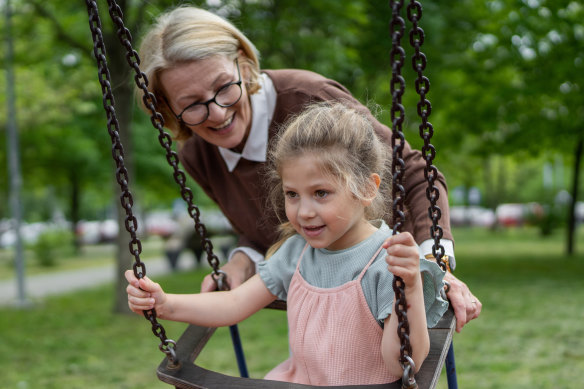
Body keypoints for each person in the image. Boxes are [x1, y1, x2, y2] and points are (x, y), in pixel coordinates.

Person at [136, 5, 481, 331]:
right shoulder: (199, 154)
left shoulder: (308, 97)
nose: (216, 113)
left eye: (224, 87)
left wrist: (435, 265)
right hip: (325, 304)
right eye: (192, 105)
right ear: (167, 108)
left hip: (386, 280)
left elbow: (418, 175)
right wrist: (241, 261)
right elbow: (266, 225)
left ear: (243, 66)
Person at [126, 103, 449, 385]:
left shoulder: (389, 262)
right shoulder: (296, 252)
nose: (304, 212)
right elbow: (234, 303)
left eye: (321, 193)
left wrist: (409, 288)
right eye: (292, 194)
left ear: (366, 188)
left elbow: (400, 364)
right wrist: (166, 304)